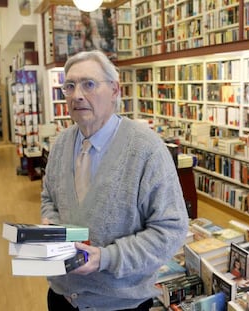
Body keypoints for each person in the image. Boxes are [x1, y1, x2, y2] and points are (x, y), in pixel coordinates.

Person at [41, 50, 189, 311]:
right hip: (62, 295)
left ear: (114, 90)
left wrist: (106, 258)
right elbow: (49, 197)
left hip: (120, 303)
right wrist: (51, 223)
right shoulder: (61, 143)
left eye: (89, 84)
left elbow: (171, 230)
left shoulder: (146, 148)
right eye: (70, 86)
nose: (77, 95)